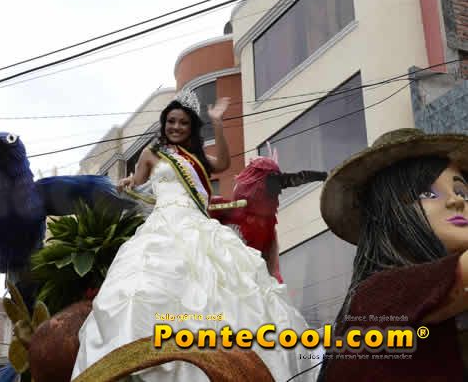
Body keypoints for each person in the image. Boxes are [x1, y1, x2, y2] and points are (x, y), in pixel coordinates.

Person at [71, 91, 318, 382]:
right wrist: (128, 181)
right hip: (161, 225)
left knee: (224, 289)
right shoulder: (151, 155)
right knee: (139, 289)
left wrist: (218, 123)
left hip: (198, 225)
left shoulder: (198, 158)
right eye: (171, 121)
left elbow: (223, 163)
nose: (176, 127)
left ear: (191, 128)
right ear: (164, 124)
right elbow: (137, 181)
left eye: (183, 123)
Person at [317, 128, 468, 381]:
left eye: (462, 191)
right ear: (390, 214)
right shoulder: (378, 296)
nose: (457, 201)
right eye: (427, 193)